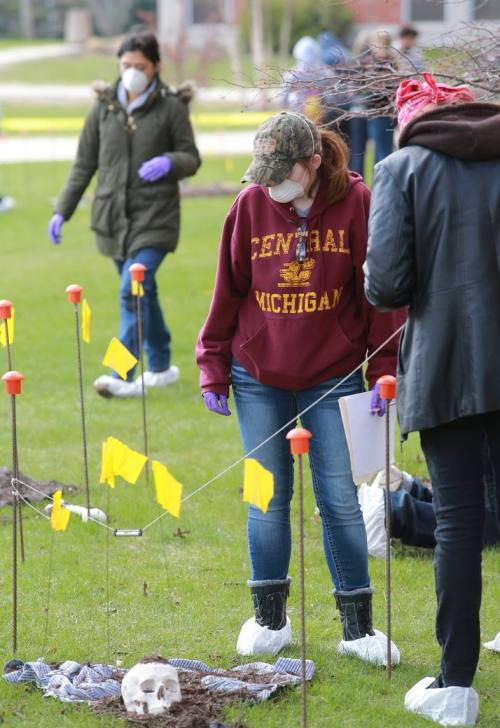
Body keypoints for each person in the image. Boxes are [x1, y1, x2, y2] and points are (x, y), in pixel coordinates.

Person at [196, 111, 405, 663]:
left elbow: (379, 296)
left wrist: (383, 370)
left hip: (332, 375)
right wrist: (212, 365)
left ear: (313, 163)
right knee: (265, 500)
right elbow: (227, 291)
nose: (272, 186)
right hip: (258, 375)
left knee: (339, 499)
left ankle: (358, 629)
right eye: (264, 174)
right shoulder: (249, 206)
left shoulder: (357, 205)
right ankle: (269, 621)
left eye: (281, 174)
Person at [364, 72, 500, 725]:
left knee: (458, 523)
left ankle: (454, 685)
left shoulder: (401, 168)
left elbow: (386, 284)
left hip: (448, 366)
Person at [48, 30, 201, 398]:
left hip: (155, 219)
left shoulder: (171, 107)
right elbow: (84, 164)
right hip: (113, 220)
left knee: (131, 291)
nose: (133, 72)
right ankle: (162, 365)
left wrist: (169, 161)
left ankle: (120, 373)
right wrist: (62, 210)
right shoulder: (103, 108)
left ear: (156, 67)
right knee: (141, 293)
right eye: (126, 65)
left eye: (141, 66)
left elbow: (191, 157)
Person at [349, 30, 397, 177]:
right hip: (381, 113)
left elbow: (353, 89)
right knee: (382, 155)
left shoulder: (371, 62)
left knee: (366, 155)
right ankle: (378, 189)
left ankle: (363, 191)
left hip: (371, 112)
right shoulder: (392, 63)